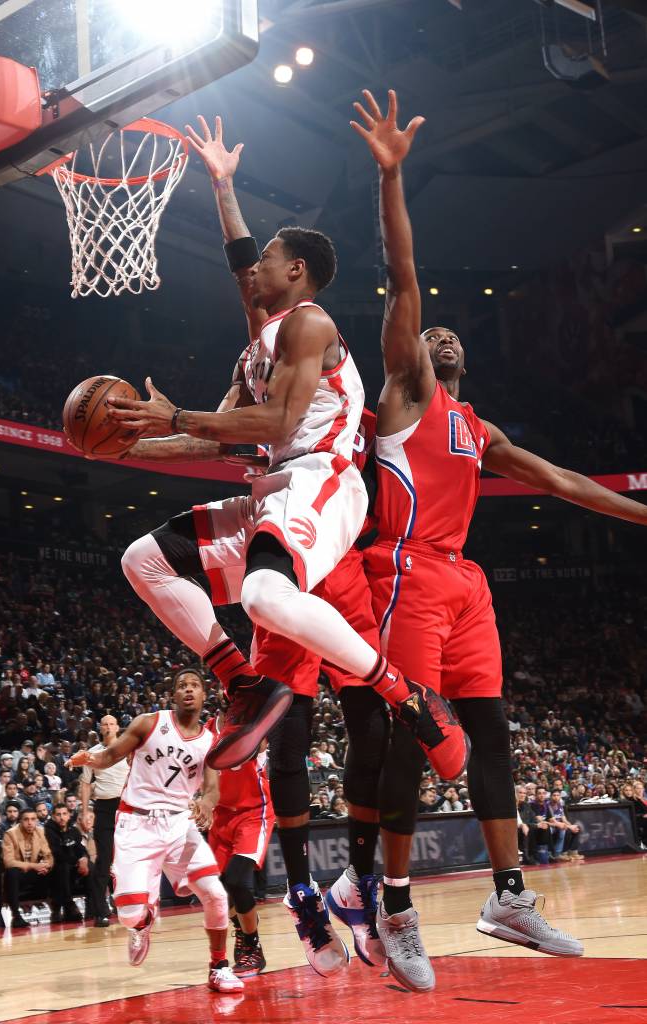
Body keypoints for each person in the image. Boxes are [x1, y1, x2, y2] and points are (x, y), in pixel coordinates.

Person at [350, 86, 644, 980]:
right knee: (410, 737)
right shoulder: (406, 392)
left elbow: (560, 482)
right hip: (402, 570)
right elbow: (404, 273)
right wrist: (391, 177)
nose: (433, 333)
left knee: (494, 735)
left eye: (446, 332)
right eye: (425, 330)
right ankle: (393, 905)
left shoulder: (478, 431)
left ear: (464, 357)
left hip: (463, 583)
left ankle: (507, 894)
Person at [104, 115, 469, 784]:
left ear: (295, 271)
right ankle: (241, 682)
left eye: (270, 260)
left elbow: (277, 424)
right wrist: (127, 446)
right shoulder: (262, 342)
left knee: (264, 597)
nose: (254, 271)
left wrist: (176, 414)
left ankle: (406, 694)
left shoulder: (309, 322)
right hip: (276, 489)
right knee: (144, 561)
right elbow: (207, 437)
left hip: (325, 481)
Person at [67, 669, 243, 993]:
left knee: (216, 895)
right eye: (181, 686)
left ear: (204, 696)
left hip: (179, 824)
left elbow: (213, 789)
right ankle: (143, 922)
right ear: (173, 696)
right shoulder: (148, 723)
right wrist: (88, 759)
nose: (188, 690)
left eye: (195, 686)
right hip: (136, 824)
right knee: (129, 915)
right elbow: (110, 755)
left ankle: (219, 966)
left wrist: (206, 803)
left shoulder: (209, 742)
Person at [207, 709, 275, 978]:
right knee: (216, 891)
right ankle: (241, 925)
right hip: (220, 816)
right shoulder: (206, 732)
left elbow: (260, 741)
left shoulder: (253, 728)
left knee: (237, 880)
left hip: (253, 813)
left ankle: (252, 944)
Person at [79, 713, 128, 928]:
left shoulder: (128, 749)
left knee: (129, 859)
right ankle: (100, 911)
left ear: (118, 727)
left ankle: (130, 906)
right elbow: (86, 783)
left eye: (111, 723)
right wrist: (84, 810)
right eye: (104, 724)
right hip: (104, 807)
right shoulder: (91, 754)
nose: (108, 726)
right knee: (104, 859)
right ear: (100, 729)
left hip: (127, 807)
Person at [2, 807, 53, 929]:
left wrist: (46, 865)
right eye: (26, 819)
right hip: (20, 873)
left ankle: (61, 909)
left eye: (33, 819)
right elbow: (8, 862)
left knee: (58, 868)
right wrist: (34, 866)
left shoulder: (40, 831)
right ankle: (16, 916)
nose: (30, 822)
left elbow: (48, 855)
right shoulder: (10, 834)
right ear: (20, 821)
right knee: (11, 872)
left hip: (35, 874)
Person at [45, 802, 92, 924]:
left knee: (91, 866)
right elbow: (57, 853)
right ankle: (69, 905)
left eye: (64, 814)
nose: (62, 817)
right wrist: (77, 861)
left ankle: (92, 906)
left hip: (72, 866)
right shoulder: (48, 831)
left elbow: (80, 848)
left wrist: (84, 858)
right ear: (53, 816)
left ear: (69, 815)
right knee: (62, 867)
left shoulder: (74, 830)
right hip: (54, 869)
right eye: (58, 814)